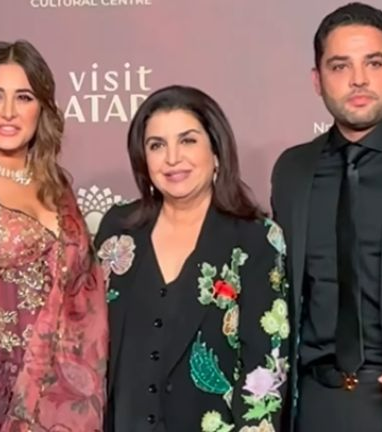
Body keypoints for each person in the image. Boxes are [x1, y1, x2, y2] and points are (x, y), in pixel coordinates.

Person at [271, 3, 382, 431]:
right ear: (317, 80)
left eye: (374, 63)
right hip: (315, 405)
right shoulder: (292, 170)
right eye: (340, 66)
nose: (358, 79)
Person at [0, 40, 108, 432]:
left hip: (70, 399)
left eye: (24, 97)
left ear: (41, 108)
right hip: (0, 399)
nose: (8, 112)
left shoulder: (57, 185)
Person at [96, 84, 290, 432]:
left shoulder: (256, 239)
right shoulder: (118, 230)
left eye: (187, 141)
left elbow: (265, 366)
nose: (172, 158)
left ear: (216, 151)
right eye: (157, 145)